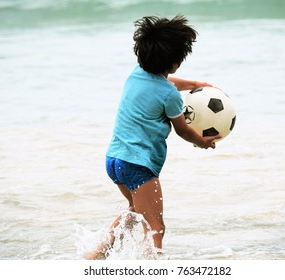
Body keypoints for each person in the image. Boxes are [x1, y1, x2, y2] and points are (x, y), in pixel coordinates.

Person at [86, 15, 221, 260]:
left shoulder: (136, 73)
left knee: (134, 211)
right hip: (138, 166)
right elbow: (182, 130)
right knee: (155, 227)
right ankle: (155, 267)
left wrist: (195, 83)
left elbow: (164, 82)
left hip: (115, 160)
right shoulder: (170, 95)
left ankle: (98, 255)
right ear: (176, 62)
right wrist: (202, 142)